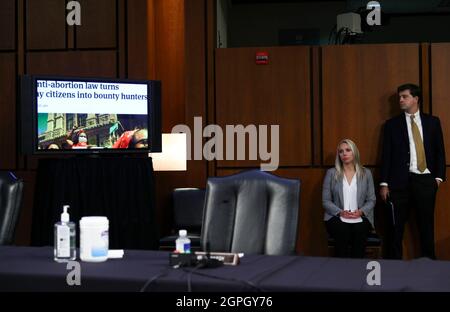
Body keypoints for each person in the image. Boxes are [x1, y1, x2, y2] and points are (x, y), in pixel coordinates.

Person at [380, 83, 446, 260]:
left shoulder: (433, 122)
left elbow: (440, 151)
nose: (400, 100)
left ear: (416, 99)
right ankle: (393, 267)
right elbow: (386, 155)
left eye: (404, 96)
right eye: (399, 97)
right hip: (399, 183)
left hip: (425, 182)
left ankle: (429, 266)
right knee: (395, 229)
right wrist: (384, 183)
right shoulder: (391, 125)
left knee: (426, 227)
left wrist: (438, 178)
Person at [322, 139, 376, 258]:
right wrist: (340, 212)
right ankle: (341, 271)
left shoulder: (366, 173)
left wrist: (361, 211)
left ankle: (357, 270)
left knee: (359, 231)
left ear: (354, 152)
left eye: (348, 150)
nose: (344, 154)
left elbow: (372, 199)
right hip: (336, 216)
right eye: (341, 151)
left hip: (361, 216)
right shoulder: (331, 173)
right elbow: (325, 201)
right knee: (342, 231)